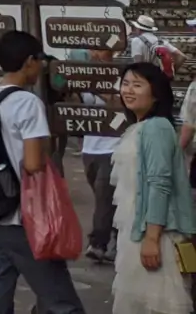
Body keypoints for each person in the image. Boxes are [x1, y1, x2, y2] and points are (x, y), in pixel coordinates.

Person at [0, 30, 85, 314]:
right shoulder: (27, 103)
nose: (42, 66)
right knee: (61, 301)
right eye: (39, 60)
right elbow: (34, 163)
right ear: (29, 62)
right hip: (24, 216)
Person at [110, 59, 196, 313]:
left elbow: (160, 183)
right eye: (125, 84)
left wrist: (152, 238)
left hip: (157, 234)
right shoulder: (141, 127)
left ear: (156, 94)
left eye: (137, 85)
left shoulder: (157, 128)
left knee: (157, 304)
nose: (128, 90)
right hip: (138, 230)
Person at [81, 37, 123, 266]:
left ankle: (97, 242)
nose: (94, 54)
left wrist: (102, 89)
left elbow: (122, 108)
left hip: (112, 147)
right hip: (90, 147)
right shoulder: (83, 78)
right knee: (107, 199)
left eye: (100, 50)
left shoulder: (121, 79)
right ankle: (118, 236)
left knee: (104, 197)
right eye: (92, 48)